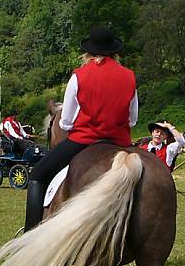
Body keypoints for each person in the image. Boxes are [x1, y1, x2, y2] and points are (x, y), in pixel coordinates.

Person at [23, 25, 138, 232]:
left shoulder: (79, 76)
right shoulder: (129, 76)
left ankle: (30, 233)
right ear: (115, 52)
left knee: (37, 175)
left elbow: (65, 122)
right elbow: (133, 120)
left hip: (84, 140)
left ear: (88, 52)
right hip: (120, 143)